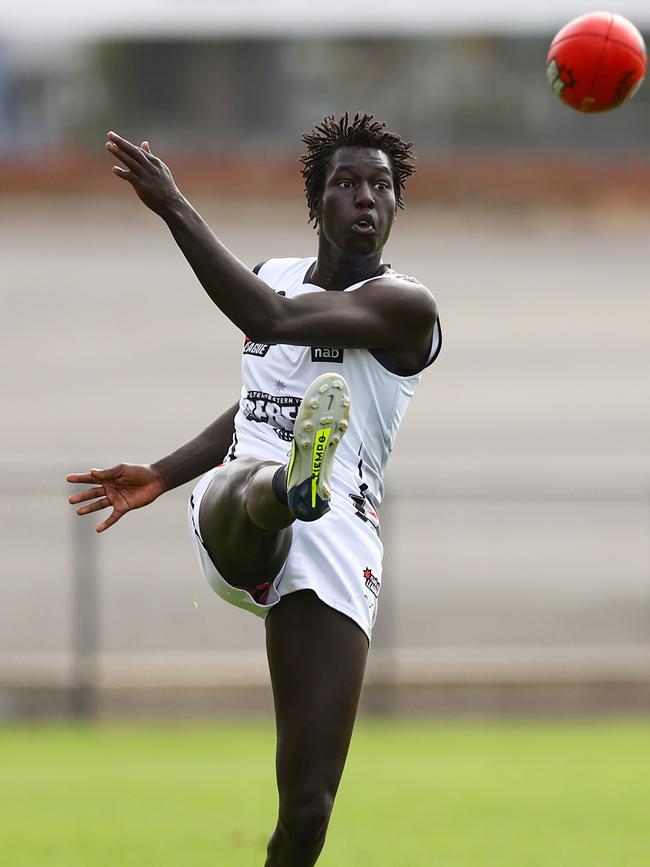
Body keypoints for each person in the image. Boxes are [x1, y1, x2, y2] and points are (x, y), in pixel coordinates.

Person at [67, 112, 442, 867]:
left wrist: (176, 205)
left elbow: (267, 319)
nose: (365, 197)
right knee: (251, 477)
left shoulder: (407, 306)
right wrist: (167, 472)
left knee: (307, 809)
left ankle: (300, 480)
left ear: (397, 204)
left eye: (381, 185)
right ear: (318, 204)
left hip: (340, 536)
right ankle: (287, 481)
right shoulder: (274, 274)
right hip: (241, 507)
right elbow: (258, 402)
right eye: (346, 183)